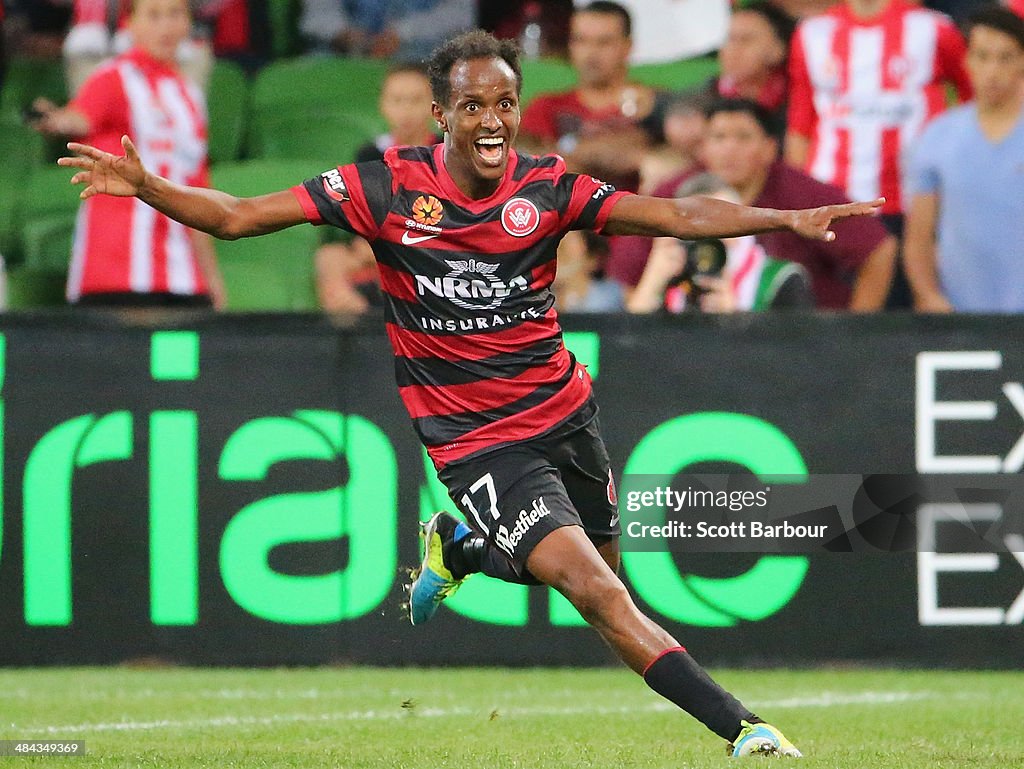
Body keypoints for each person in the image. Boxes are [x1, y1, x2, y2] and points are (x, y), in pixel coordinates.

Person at [60, 29, 882, 756]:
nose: (493, 120)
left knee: (605, 571)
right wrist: (152, 187)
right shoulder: (381, 188)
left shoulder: (548, 188)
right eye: (474, 104)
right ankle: (746, 733)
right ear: (442, 114)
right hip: (475, 438)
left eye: (507, 102)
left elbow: (672, 215)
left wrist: (780, 219)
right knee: (595, 590)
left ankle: (460, 549)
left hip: (566, 411)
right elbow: (239, 215)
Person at [35, 0, 225, 309]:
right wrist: (53, 119)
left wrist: (213, 279)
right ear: (130, 24)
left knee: (181, 358)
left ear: (188, 22)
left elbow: (199, 192)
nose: (165, 26)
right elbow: (78, 117)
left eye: (175, 14)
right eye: (153, 15)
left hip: (183, 277)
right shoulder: (112, 77)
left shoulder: (190, 95)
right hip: (115, 274)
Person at [785, 0, 971, 232]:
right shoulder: (812, 33)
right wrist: (797, 202)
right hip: (831, 201)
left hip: (914, 201)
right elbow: (800, 126)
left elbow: (973, 100)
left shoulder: (934, 28)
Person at [705, 98, 895, 309]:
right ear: (703, 147)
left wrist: (856, 331)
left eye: (743, 138)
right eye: (718, 138)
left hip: (803, 332)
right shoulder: (683, 192)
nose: (729, 149)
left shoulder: (801, 195)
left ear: (770, 148)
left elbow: (878, 248)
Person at [903, 5, 1024, 312]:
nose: (993, 71)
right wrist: (929, 296)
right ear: (967, 61)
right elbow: (919, 236)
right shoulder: (937, 138)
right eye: (983, 56)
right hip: (962, 321)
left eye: (1005, 57)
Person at [317, 64, 438, 313]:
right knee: (329, 256)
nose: (406, 110)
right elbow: (358, 211)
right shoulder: (369, 154)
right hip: (377, 253)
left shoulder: (446, 153)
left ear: (435, 106)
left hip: (429, 249)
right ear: (383, 105)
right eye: (397, 100)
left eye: (416, 100)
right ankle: (357, 321)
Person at [626, 172, 814, 313]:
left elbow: (796, 356)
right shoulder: (671, 280)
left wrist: (732, 318)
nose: (713, 238)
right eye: (698, 229)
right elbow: (629, 352)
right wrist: (650, 286)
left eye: (723, 226)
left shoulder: (781, 280)